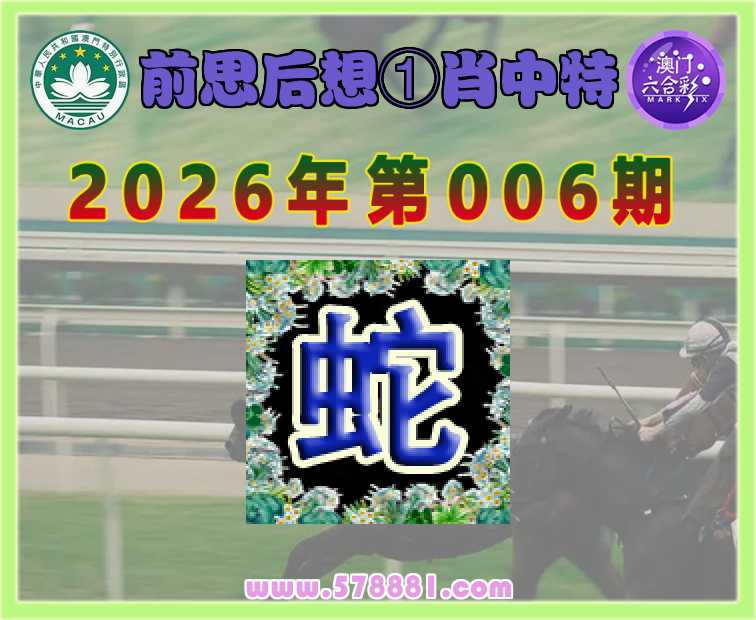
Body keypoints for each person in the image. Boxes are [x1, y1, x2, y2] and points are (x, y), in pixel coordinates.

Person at [638, 318, 736, 541]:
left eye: (696, 361)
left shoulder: (728, 364)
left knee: (732, 452)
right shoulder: (728, 362)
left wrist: (657, 431)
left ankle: (714, 522)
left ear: (708, 356)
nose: (695, 367)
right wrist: (651, 420)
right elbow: (689, 398)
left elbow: (698, 404)